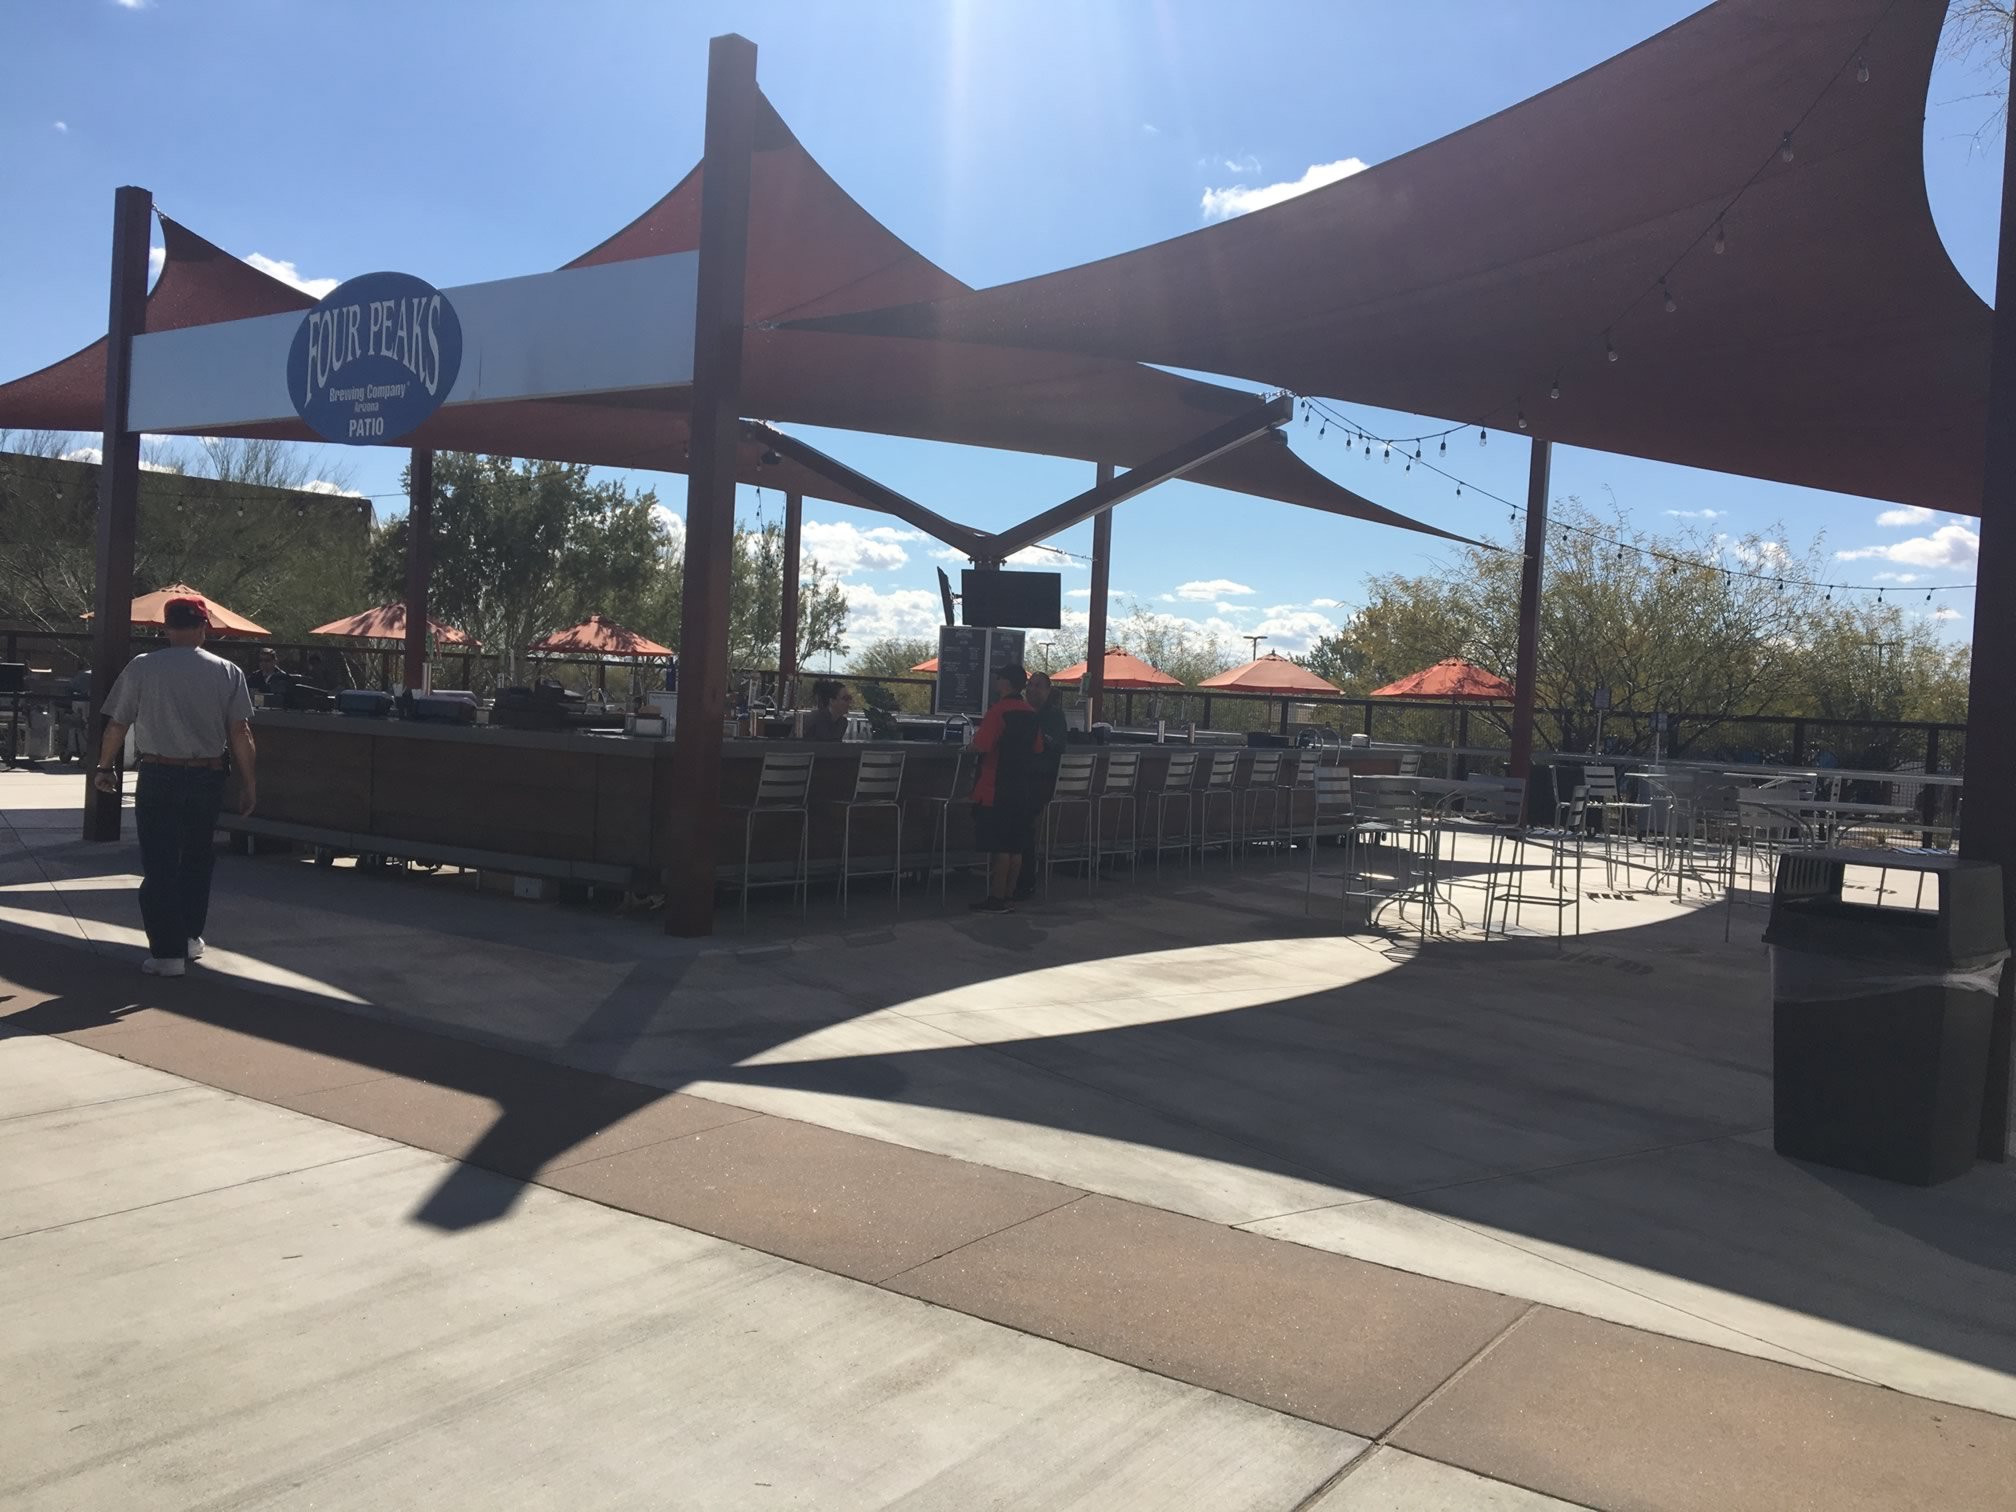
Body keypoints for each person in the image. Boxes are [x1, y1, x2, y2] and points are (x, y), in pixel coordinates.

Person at [92, 596, 257, 977]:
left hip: (158, 772)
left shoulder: (142, 667)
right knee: (198, 858)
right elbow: (240, 731)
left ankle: (167, 953)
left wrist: (104, 766)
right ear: (203, 629)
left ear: (166, 629)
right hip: (208, 774)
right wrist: (249, 783)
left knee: (160, 862)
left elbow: (118, 724)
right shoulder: (228, 671)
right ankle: (188, 937)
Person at [968, 663, 1043, 913]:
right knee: (1016, 845)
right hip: (1022, 786)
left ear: (1005, 683)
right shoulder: (1031, 713)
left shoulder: (998, 711)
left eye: (998, 678)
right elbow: (1038, 747)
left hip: (997, 786)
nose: (996, 681)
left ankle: (996, 898)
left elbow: (982, 745)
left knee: (1001, 846)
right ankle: (1009, 895)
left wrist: (966, 748)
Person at [1015, 672, 1071, 900]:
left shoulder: (1055, 716)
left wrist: (1039, 738)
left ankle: (1025, 880)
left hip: (1043, 781)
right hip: (1022, 778)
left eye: (1037, 686)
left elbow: (1059, 746)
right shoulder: (1021, 712)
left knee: (1023, 819)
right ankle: (1008, 874)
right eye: (1029, 685)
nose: (1031, 689)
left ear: (1048, 691)